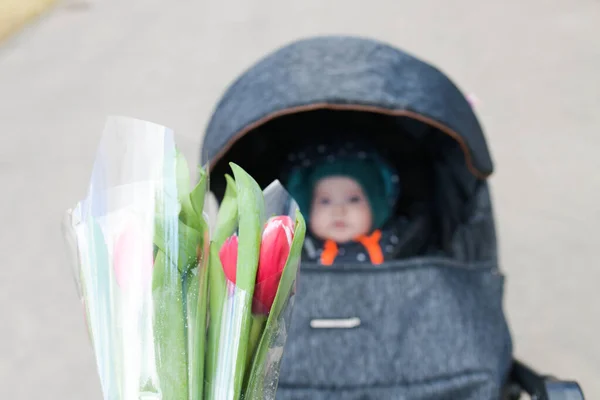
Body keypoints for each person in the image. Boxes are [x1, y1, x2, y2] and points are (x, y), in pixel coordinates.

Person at [283, 140, 403, 265]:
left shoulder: (396, 244)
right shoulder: (296, 250)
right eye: (325, 201)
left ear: (377, 207)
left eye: (353, 200)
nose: (338, 211)